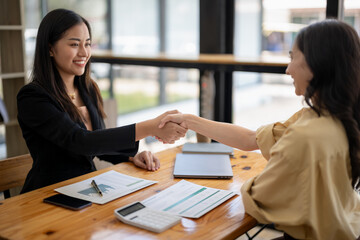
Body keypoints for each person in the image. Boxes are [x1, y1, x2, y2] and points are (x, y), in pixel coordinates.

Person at [159, 19, 360, 240]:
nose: (288, 69)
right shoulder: (338, 116)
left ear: (317, 64)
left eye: (293, 58)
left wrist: (262, 176)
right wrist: (189, 120)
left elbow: (260, 200)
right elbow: (250, 139)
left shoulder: (305, 134)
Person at [17, 9, 186, 194]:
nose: (84, 52)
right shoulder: (32, 97)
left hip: (87, 190)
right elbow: (80, 142)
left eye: (87, 44)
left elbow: (98, 142)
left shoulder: (87, 88)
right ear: (50, 48)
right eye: (74, 44)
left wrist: (131, 157)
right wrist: (149, 127)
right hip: (48, 195)